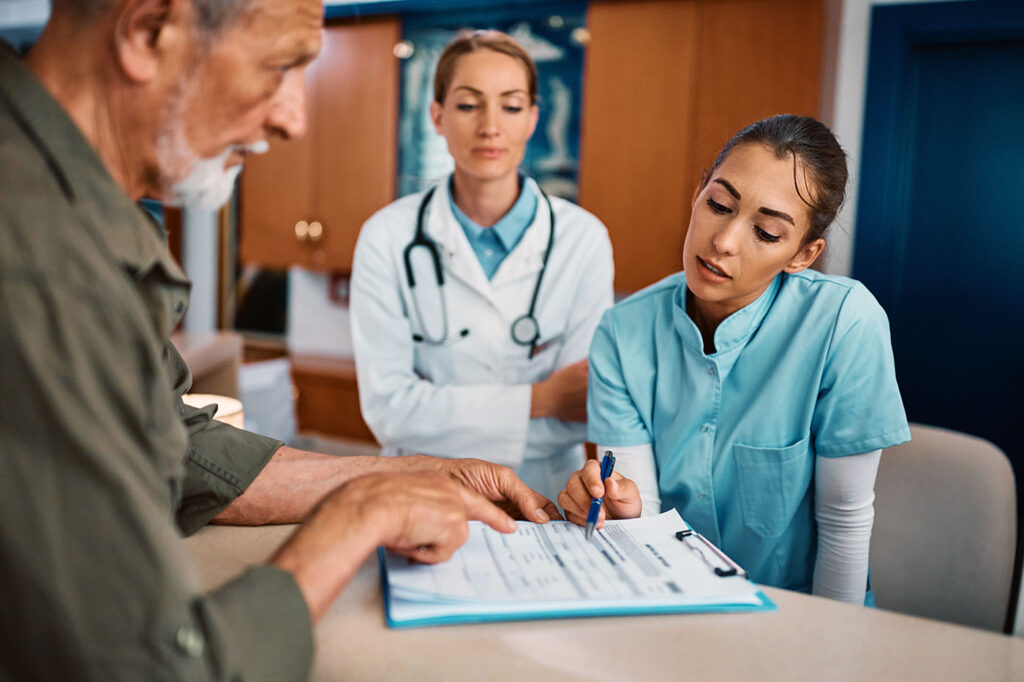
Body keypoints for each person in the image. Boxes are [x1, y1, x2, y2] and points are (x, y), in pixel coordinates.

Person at [0, 1, 561, 679]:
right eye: (280, 66)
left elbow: (179, 446)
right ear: (148, 32)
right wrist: (351, 521)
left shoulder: (73, 204)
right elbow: (153, 669)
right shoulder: (39, 258)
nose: (294, 118)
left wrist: (398, 475)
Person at [557, 115, 911, 604]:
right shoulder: (624, 331)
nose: (723, 241)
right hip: (671, 600)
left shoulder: (843, 323)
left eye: (766, 233)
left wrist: (831, 654)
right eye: (720, 204)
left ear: (803, 255)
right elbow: (644, 520)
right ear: (698, 192)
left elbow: (844, 522)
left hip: (797, 614)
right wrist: (623, 508)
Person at [350, 31, 614, 503]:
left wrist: (439, 411)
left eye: (511, 106)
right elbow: (389, 410)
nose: (490, 126)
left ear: (533, 118)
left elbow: (576, 409)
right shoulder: (386, 236)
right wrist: (538, 400)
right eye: (469, 105)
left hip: (545, 490)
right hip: (423, 489)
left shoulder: (582, 239)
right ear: (437, 116)